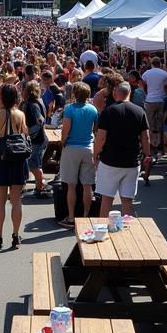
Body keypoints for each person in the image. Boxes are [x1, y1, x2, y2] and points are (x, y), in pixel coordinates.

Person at [93, 82, 151, 217]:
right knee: (127, 200)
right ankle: (127, 231)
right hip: (132, 161)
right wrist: (147, 155)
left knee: (107, 198)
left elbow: (101, 137)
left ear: (114, 93)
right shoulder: (139, 111)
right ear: (129, 93)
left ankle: (103, 228)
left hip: (109, 161)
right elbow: (145, 137)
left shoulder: (108, 111)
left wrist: (95, 155)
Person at [0, 84, 29, 250]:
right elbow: (25, 133)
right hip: (18, 159)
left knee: (0, 201)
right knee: (16, 200)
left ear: (2, 97)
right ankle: (16, 235)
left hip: (1, 159)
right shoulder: (21, 114)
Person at [58, 83, 99, 229]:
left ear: (75, 94)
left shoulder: (70, 109)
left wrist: (63, 142)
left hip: (72, 147)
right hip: (88, 147)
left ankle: (71, 217)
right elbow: (96, 129)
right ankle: (86, 216)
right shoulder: (93, 109)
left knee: (71, 186)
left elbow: (66, 129)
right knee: (88, 185)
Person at [21, 80, 49, 198]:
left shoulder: (32, 105)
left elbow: (40, 121)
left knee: (34, 165)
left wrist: (29, 134)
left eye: (23, 90)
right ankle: (39, 186)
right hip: (39, 138)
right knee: (34, 164)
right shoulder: (38, 101)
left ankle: (40, 187)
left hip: (37, 139)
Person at [142, 57, 167, 157]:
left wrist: (148, 92)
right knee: (161, 125)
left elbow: (144, 86)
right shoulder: (165, 74)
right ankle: (161, 148)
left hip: (150, 100)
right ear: (160, 63)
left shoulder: (146, 74)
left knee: (149, 125)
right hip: (162, 99)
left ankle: (150, 147)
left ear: (151, 63)